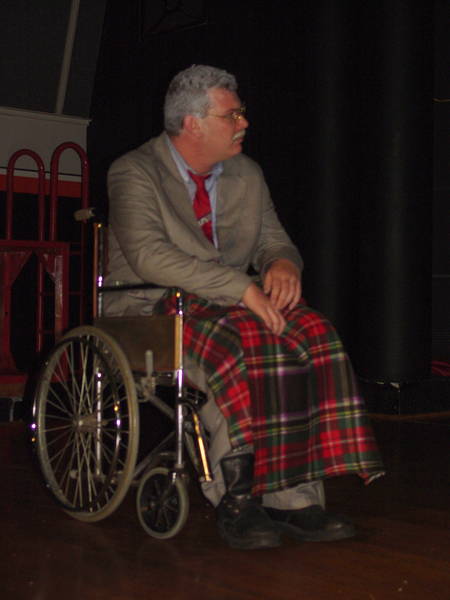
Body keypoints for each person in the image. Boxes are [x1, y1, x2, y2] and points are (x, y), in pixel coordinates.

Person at [106, 64, 384, 550]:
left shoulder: (247, 174)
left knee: (313, 334)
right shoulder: (134, 170)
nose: (244, 123)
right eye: (232, 115)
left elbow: (274, 241)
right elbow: (149, 255)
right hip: (152, 306)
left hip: (226, 302)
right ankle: (237, 497)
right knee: (241, 345)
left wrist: (283, 264)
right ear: (193, 124)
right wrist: (241, 288)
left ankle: (294, 498)